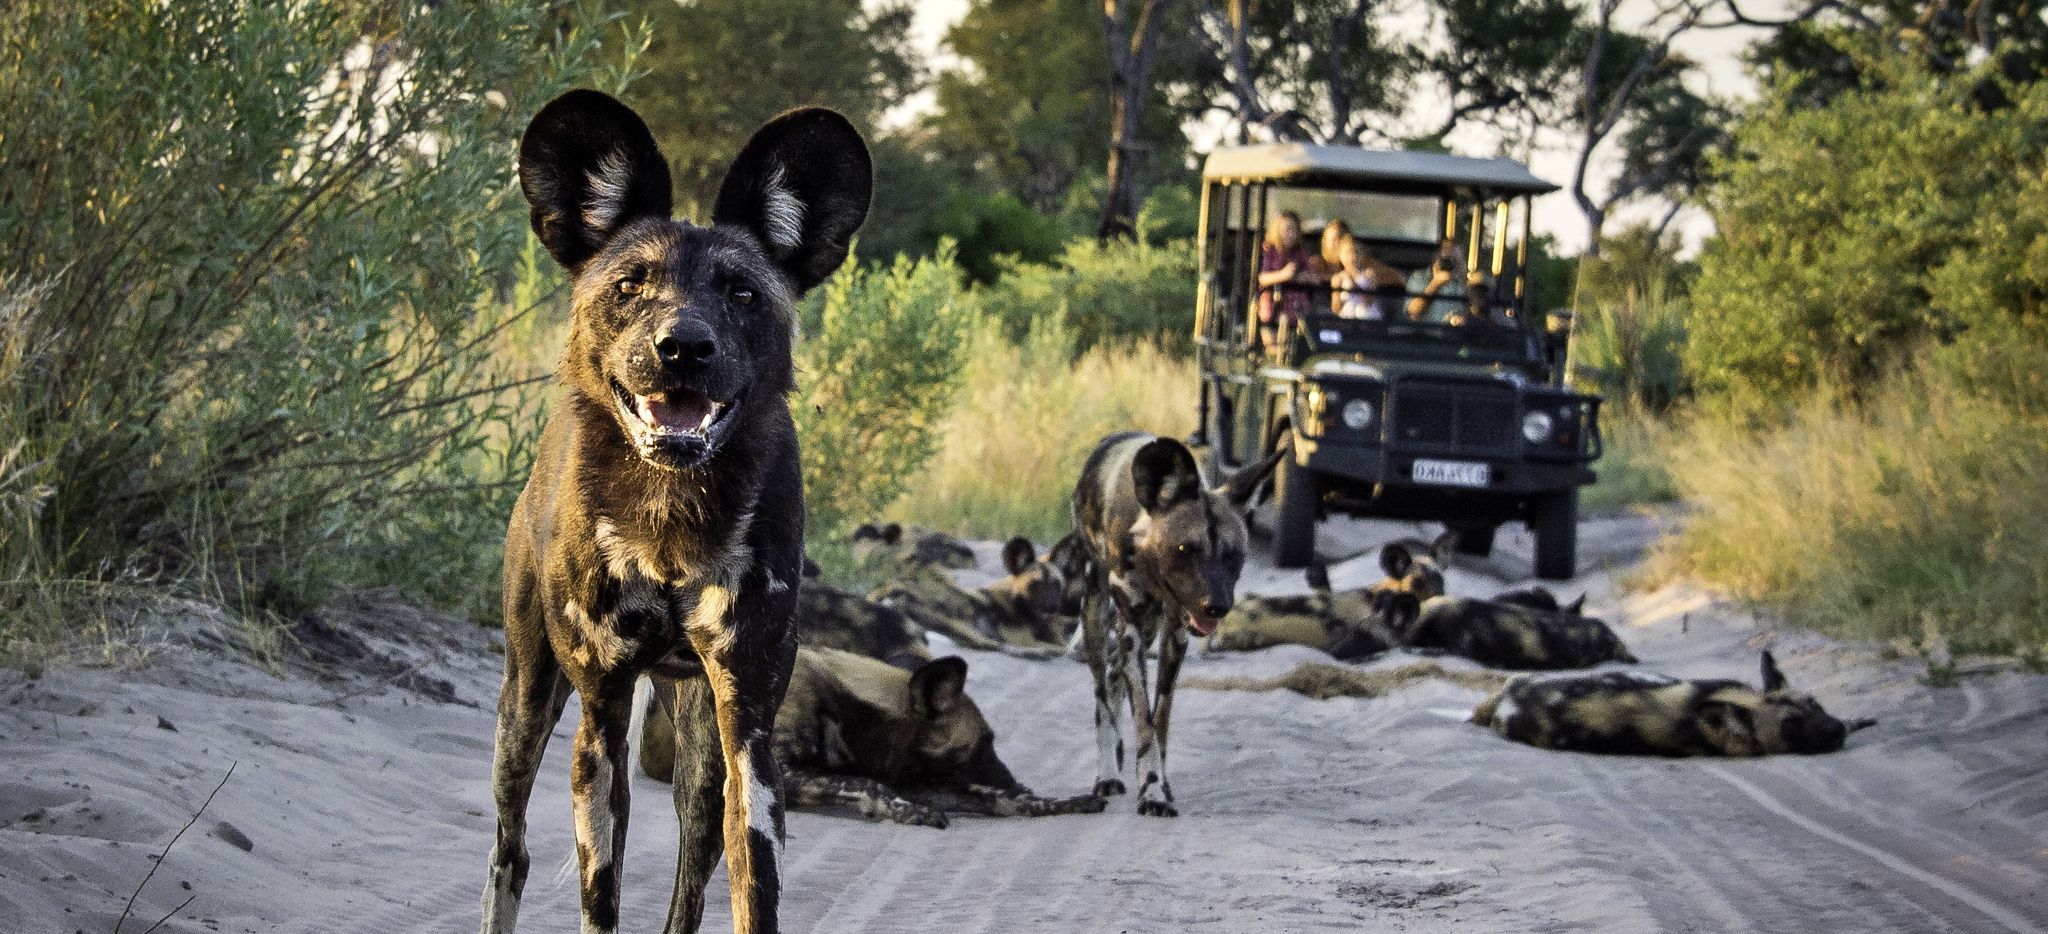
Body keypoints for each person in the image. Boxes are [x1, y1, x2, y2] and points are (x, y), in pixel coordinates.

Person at [1257, 211, 1318, 352]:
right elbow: (1261, 278)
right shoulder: (1268, 250)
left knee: (1294, 348)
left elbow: (1315, 279)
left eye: (1294, 229)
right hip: (1272, 307)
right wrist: (1282, 275)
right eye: (1287, 229)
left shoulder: (1300, 253)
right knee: (1273, 348)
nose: (1291, 234)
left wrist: (1303, 277)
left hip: (1297, 311)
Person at [1330, 235, 1401, 320]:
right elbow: (1336, 308)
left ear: (1363, 254)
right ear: (1340, 255)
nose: (1352, 257)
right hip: (1347, 319)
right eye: (1347, 253)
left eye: (1356, 252)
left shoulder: (1369, 275)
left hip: (1367, 317)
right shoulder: (1337, 278)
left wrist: (1354, 286)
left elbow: (1370, 300)